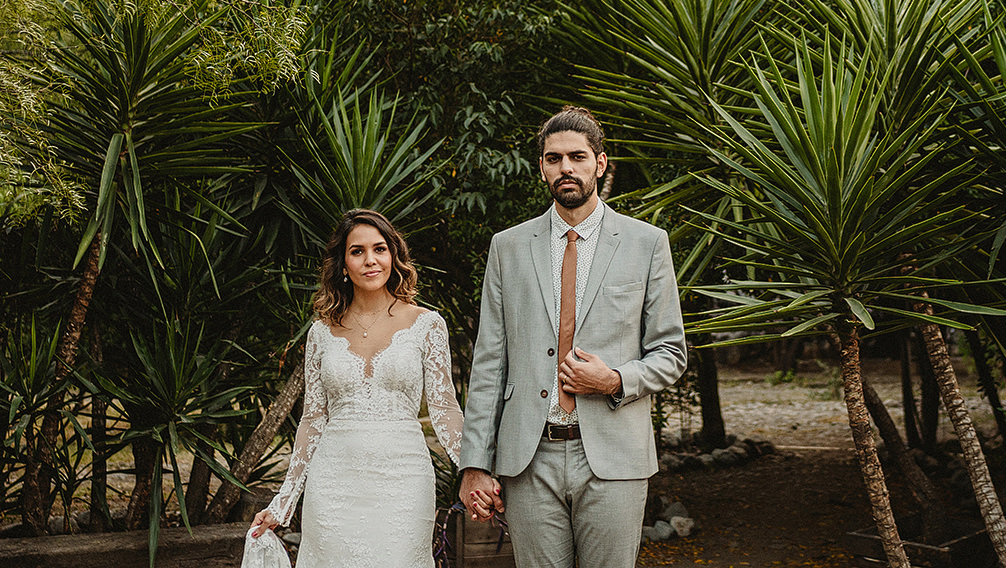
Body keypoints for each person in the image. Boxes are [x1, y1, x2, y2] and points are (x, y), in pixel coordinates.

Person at [457, 107, 687, 568]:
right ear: (542, 167)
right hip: (529, 458)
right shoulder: (508, 246)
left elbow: (671, 352)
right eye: (554, 158)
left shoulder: (647, 243)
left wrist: (615, 379)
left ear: (599, 164)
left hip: (613, 457)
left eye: (577, 157)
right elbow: (489, 363)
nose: (566, 168)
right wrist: (475, 463)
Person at [249, 208, 463, 567]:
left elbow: (445, 410)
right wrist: (283, 502)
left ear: (394, 255)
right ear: (342, 264)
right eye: (357, 251)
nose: (370, 260)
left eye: (379, 249)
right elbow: (312, 421)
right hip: (333, 481)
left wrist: (475, 472)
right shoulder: (321, 332)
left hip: (404, 480)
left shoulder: (427, 325)